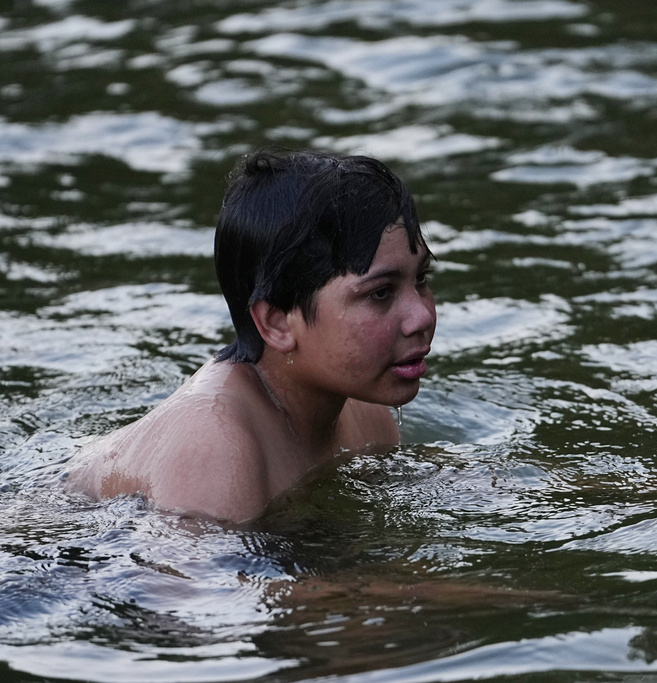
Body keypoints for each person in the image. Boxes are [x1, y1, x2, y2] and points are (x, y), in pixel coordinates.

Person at [64, 149, 436, 523]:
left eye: (420, 279)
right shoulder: (214, 445)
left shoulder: (365, 412)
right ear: (276, 323)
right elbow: (195, 580)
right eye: (380, 293)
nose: (421, 316)